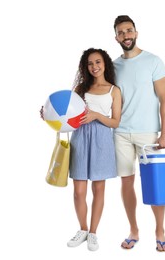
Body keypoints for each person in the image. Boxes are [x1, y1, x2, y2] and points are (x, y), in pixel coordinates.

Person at [40, 48, 122, 251]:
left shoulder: (114, 90)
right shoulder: (80, 88)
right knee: (78, 191)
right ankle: (83, 229)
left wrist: (96, 116)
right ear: (85, 67)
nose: (94, 67)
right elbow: (67, 114)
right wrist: (49, 115)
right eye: (90, 63)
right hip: (80, 138)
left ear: (105, 64)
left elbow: (115, 122)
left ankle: (93, 232)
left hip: (102, 139)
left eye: (98, 62)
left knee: (99, 189)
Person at [113, 15, 165, 252]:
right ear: (116, 37)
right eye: (121, 32)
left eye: (129, 30)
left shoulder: (153, 61)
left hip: (148, 133)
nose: (126, 35)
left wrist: (164, 133)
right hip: (120, 133)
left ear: (136, 33)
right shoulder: (113, 66)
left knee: (154, 184)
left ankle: (160, 230)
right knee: (127, 182)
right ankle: (134, 230)